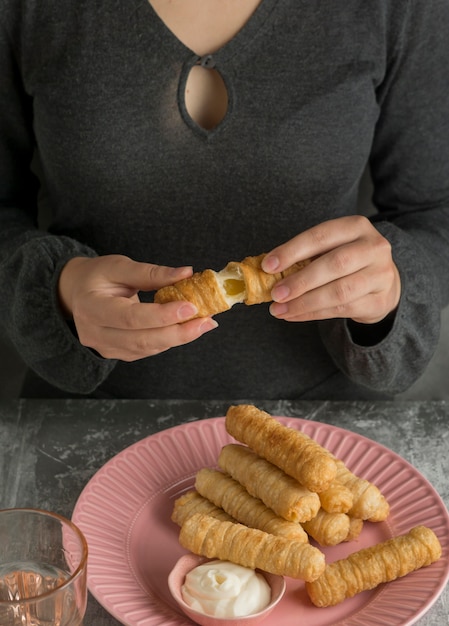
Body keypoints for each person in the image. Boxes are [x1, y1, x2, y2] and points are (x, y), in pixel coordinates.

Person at [1, 0, 448, 400]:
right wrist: (54, 291)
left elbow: (435, 213)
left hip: (328, 431)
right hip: (79, 423)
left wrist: (391, 283)